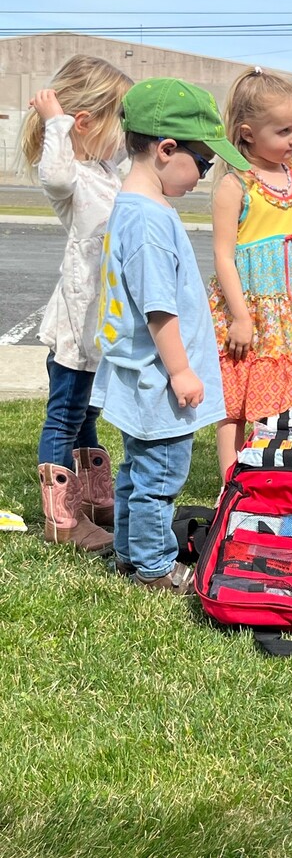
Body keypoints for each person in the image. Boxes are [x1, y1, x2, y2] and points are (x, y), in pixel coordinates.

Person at [91, 77, 251, 594]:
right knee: (159, 479)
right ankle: (155, 566)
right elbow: (159, 308)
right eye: (203, 162)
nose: (204, 175)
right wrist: (182, 371)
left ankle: (127, 552)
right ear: (165, 150)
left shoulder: (132, 208)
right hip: (159, 383)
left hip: (141, 379)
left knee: (137, 474)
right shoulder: (151, 221)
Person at [17, 54, 133, 554]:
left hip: (102, 322)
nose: (124, 134)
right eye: (119, 121)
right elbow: (56, 175)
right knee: (64, 414)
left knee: (88, 413)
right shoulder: (73, 178)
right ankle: (61, 517)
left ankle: (92, 498)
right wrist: (56, 123)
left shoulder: (108, 170)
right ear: (86, 123)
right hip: (76, 320)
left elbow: (137, 167)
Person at [208, 67, 292, 477]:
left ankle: (278, 471)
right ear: (247, 133)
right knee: (235, 399)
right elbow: (224, 256)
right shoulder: (236, 185)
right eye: (283, 131)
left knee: (291, 397)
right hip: (247, 309)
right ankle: (232, 480)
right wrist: (241, 317)